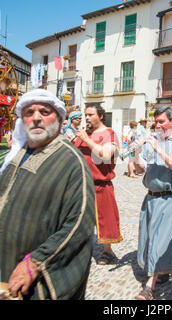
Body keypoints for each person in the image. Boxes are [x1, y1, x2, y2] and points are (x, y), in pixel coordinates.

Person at [0, 89, 96, 300]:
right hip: (0, 265)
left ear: (60, 119)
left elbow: (80, 223)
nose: (36, 117)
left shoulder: (72, 162)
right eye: (29, 112)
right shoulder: (17, 155)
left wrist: (36, 262)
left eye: (44, 111)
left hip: (37, 279)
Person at [131, 106, 172, 300]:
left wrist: (159, 149)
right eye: (155, 122)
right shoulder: (152, 141)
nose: (157, 125)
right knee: (149, 239)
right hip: (151, 197)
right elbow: (141, 170)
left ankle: (150, 287)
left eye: (161, 122)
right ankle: (166, 268)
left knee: (161, 239)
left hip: (171, 197)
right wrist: (137, 153)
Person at [73, 105, 122, 265]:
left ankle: (108, 252)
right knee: (79, 219)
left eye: (90, 115)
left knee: (105, 219)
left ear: (100, 116)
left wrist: (87, 140)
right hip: (81, 184)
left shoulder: (109, 134)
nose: (86, 118)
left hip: (101, 183)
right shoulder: (83, 134)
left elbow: (106, 155)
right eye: (85, 115)